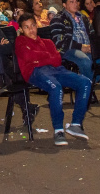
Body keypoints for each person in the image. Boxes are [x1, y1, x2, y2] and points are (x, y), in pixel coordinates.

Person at [15, 13, 91, 146]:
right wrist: (47, 57)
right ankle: (58, 130)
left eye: (33, 25)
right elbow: (28, 56)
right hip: (36, 72)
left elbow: (57, 59)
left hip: (57, 70)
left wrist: (40, 58)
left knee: (85, 82)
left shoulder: (48, 42)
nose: (31, 29)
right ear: (21, 30)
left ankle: (76, 123)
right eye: (26, 27)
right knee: (55, 87)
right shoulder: (20, 41)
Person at [50, 0, 94, 81]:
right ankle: (87, 87)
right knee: (86, 62)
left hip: (88, 48)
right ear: (64, 5)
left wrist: (92, 46)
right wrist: (81, 47)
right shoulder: (58, 18)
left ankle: (87, 83)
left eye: (76, 1)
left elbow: (93, 34)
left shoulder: (83, 18)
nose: (75, 4)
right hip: (69, 50)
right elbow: (59, 41)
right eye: (71, 2)